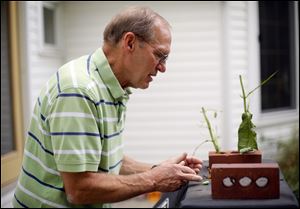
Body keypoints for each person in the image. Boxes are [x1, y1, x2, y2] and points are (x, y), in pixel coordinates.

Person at [13, 6, 203, 208]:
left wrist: (160, 169)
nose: (163, 67)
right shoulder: (79, 90)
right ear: (130, 42)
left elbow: (110, 161)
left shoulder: (112, 86)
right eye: (160, 55)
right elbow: (79, 189)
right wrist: (154, 180)